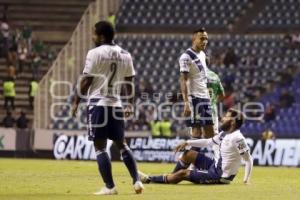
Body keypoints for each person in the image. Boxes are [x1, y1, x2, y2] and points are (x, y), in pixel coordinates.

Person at [71, 21, 144, 195]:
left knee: (100, 148)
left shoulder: (94, 53)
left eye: (94, 34)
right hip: (116, 104)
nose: (92, 37)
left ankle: (110, 187)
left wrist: (76, 101)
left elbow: (87, 80)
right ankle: (136, 181)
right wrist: (130, 104)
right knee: (122, 145)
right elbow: (129, 83)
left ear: (101, 36)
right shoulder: (125, 54)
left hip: (98, 104)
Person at [139, 109, 253, 185]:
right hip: (214, 165)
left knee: (183, 173)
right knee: (188, 154)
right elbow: (208, 142)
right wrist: (188, 143)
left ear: (232, 122)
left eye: (226, 117)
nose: (223, 118)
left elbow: (248, 159)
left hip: (220, 176)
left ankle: (149, 179)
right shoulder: (224, 134)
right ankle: (171, 177)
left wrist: (246, 180)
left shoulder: (238, 138)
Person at [179, 28, 214, 139]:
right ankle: (190, 156)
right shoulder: (186, 57)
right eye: (202, 38)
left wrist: (207, 89)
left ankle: (214, 156)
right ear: (194, 39)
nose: (205, 41)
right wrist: (186, 103)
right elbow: (183, 80)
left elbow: (202, 76)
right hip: (195, 99)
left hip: (205, 98)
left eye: (206, 39)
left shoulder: (203, 54)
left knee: (210, 132)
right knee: (197, 132)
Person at [207, 68, 225, 134]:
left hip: (198, 108)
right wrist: (214, 100)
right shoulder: (214, 75)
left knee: (198, 133)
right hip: (212, 108)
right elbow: (222, 95)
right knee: (214, 133)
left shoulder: (196, 74)